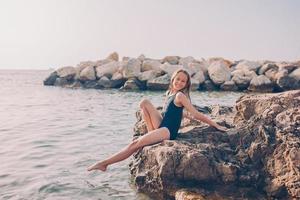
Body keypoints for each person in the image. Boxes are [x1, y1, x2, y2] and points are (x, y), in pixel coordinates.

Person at [87, 69, 227, 172]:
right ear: (173, 79)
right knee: (144, 103)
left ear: (186, 84)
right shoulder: (169, 93)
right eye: (177, 79)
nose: (179, 82)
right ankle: (150, 135)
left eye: (183, 81)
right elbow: (176, 112)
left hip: (168, 131)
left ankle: (104, 163)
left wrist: (215, 125)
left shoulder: (180, 95)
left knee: (135, 144)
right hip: (162, 126)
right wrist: (186, 117)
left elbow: (196, 114)